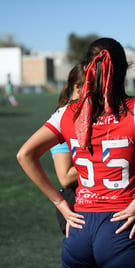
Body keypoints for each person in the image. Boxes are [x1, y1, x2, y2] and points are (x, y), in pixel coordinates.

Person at [17, 37, 135, 268]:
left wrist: (59, 203)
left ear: (87, 69)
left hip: (80, 227)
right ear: (123, 70)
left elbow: (25, 154)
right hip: (123, 226)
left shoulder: (66, 112)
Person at [51, 63, 85, 235]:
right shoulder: (63, 119)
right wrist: (102, 163)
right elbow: (64, 177)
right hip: (75, 206)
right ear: (78, 87)